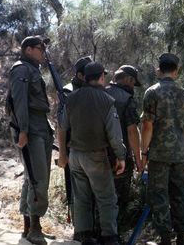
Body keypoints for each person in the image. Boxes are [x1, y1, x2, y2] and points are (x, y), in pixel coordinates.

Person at [58, 61, 126, 245]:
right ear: (102, 77)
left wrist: (63, 154)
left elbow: (62, 127)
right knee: (106, 198)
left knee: (81, 198)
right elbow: (114, 134)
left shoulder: (71, 98)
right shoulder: (106, 100)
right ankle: (109, 237)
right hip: (95, 155)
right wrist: (121, 156)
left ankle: (84, 235)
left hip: (75, 156)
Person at [141, 53, 184, 245]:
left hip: (158, 154)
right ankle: (182, 237)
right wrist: (183, 149)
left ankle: (165, 238)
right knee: (179, 194)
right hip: (179, 155)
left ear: (159, 70)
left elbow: (147, 125)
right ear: (176, 71)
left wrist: (143, 151)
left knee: (160, 194)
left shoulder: (152, 92)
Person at [6, 35, 54, 245]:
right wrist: (23, 130)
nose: (43, 52)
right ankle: (34, 228)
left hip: (40, 125)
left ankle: (29, 227)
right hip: (31, 128)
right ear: (28, 50)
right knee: (37, 178)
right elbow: (19, 102)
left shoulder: (32, 69)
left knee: (32, 177)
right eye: (39, 48)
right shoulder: (21, 69)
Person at [57, 56, 92, 241]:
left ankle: (88, 230)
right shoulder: (68, 92)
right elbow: (62, 126)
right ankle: (80, 230)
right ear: (79, 75)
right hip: (73, 148)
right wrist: (63, 153)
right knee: (77, 191)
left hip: (90, 148)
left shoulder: (91, 90)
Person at [105, 65, 143, 221]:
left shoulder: (102, 92)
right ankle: (114, 235)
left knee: (99, 197)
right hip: (119, 158)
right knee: (118, 198)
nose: (133, 86)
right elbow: (132, 131)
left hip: (96, 155)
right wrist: (139, 159)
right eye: (134, 83)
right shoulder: (126, 99)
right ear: (130, 79)